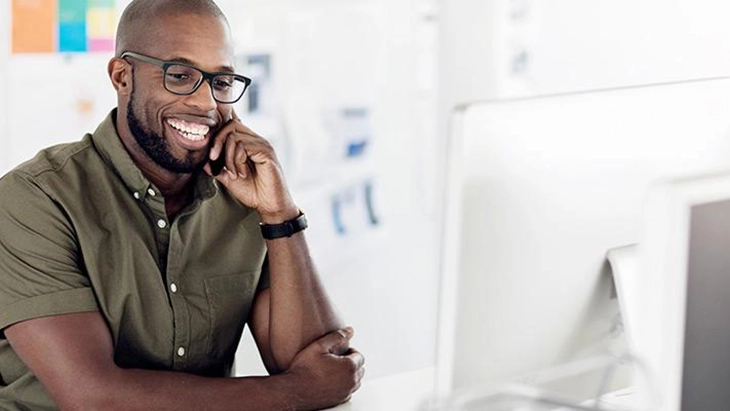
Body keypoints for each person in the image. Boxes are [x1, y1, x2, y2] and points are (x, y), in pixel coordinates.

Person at [0, 0, 364, 409]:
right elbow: (93, 398)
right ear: (122, 76)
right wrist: (296, 392)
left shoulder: (241, 196)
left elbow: (319, 365)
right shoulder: (35, 199)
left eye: (221, 83)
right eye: (180, 75)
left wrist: (281, 216)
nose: (206, 103)